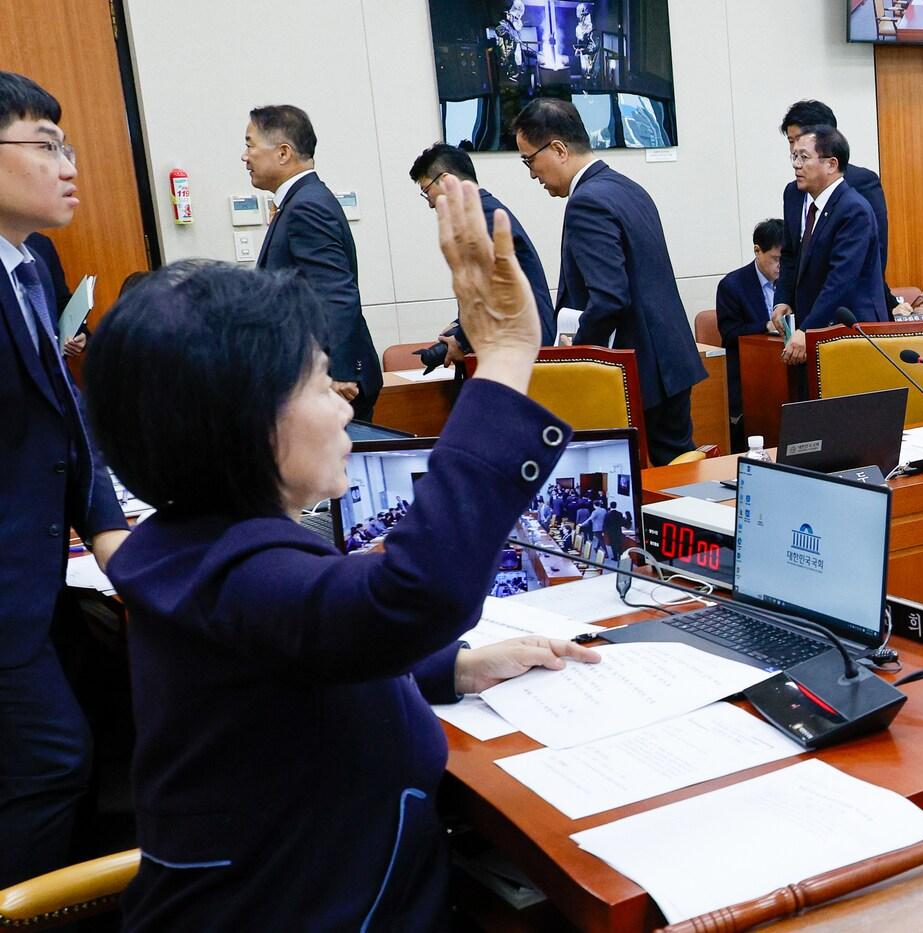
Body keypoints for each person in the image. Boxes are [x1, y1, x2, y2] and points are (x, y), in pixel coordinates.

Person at [84, 174, 599, 929]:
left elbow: (292, 661)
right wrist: (505, 356)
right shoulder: (236, 573)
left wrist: (453, 667)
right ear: (248, 421)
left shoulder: (189, 546)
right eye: (323, 382)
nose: (345, 401)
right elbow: (410, 596)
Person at [0, 71, 129, 888]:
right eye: (47, 146)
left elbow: (64, 422)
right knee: (54, 759)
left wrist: (117, 544)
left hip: (38, 578)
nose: (69, 166)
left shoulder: (34, 262)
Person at [514, 97, 705, 466]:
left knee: (651, 482)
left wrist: (576, 356)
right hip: (668, 362)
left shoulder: (587, 202)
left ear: (558, 150)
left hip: (641, 373)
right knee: (678, 470)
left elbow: (610, 298)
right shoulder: (627, 187)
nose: (532, 174)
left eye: (529, 160)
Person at [246, 104, 383, 420]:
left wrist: (339, 370)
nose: (245, 156)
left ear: (283, 153)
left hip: (334, 386)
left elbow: (336, 292)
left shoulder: (306, 206)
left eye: (250, 145)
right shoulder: (301, 201)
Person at [411, 142, 557, 365]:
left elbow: (489, 292)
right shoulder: (485, 209)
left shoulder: (482, 218)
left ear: (446, 180)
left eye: (427, 191)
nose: (430, 204)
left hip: (521, 349)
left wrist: (460, 341)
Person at [777, 101, 914, 316]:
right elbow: (790, 254)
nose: (795, 150)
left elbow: (874, 253)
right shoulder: (792, 192)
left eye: (800, 141)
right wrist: (783, 300)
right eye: (791, 142)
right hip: (807, 314)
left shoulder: (860, 184)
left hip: (851, 312)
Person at [770, 125, 889, 366]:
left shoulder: (853, 209)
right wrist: (782, 299)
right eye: (794, 156)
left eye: (804, 157)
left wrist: (808, 329)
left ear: (831, 164)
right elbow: (792, 256)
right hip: (822, 330)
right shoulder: (814, 207)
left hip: (852, 332)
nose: (796, 165)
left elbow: (841, 280)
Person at [715, 218, 781, 447]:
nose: (781, 266)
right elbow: (730, 333)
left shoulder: (794, 281)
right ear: (757, 251)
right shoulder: (732, 285)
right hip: (748, 376)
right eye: (776, 259)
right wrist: (766, 326)